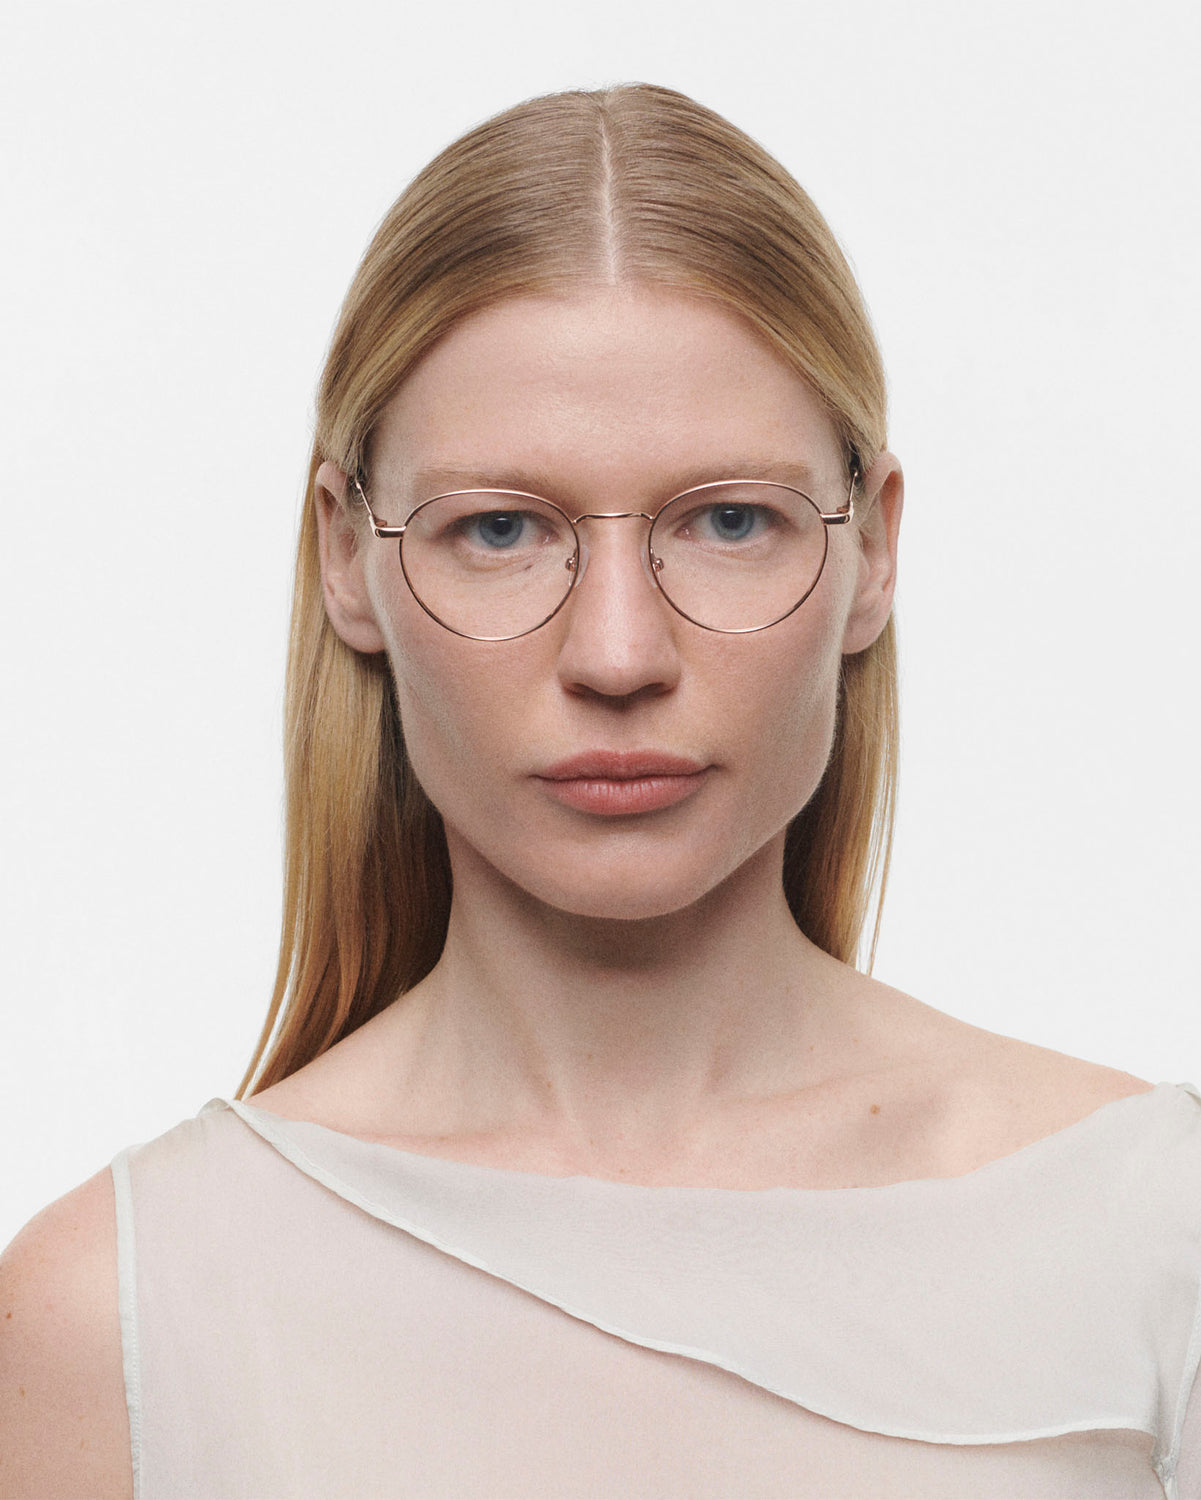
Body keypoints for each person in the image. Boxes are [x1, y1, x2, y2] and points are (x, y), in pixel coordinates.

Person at [2, 82, 1199, 1500]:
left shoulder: (1152, 1234)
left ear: (873, 552)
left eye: (730, 520)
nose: (618, 654)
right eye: (500, 530)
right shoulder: (118, 1317)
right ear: (345, 558)